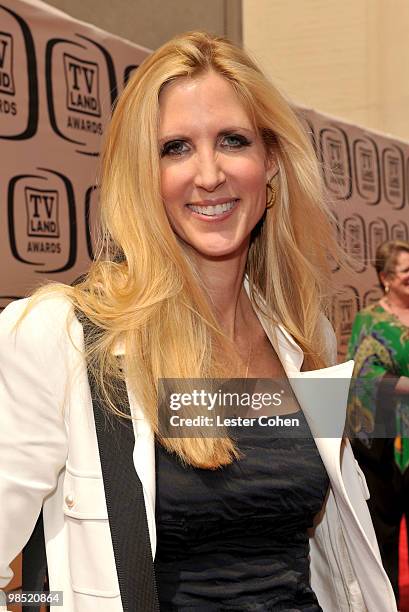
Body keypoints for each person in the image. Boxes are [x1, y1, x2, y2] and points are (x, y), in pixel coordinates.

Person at [0, 31, 396, 612]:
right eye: (175, 148)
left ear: (272, 163)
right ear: (142, 174)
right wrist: (45, 604)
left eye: (233, 140)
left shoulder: (304, 333)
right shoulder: (60, 336)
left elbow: (326, 549)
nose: (208, 174)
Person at [347, 239, 409, 605]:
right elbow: (362, 379)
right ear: (385, 277)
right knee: (384, 535)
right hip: (384, 445)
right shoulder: (370, 321)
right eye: (406, 273)